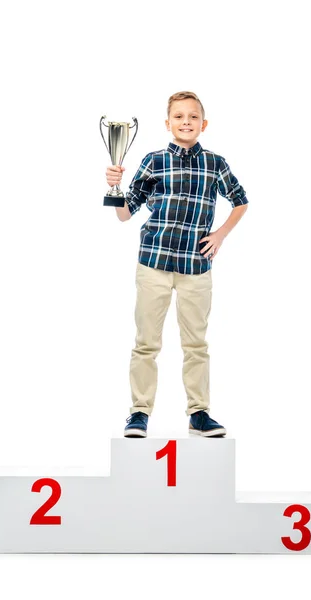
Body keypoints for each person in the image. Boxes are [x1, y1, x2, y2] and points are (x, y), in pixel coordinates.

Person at [105, 91, 249, 438]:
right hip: (154, 263)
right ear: (168, 123)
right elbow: (126, 215)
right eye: (179, 116)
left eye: (193, 117)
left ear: (204, 123)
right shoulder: (155, 161)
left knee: (196, 343)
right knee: (146, 343)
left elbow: (241, 201)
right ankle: (139, 412)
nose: (187, 122)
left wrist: (220, 235)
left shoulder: (215, 164)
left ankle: (199, 413)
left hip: (196, 266)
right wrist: (115, 188)